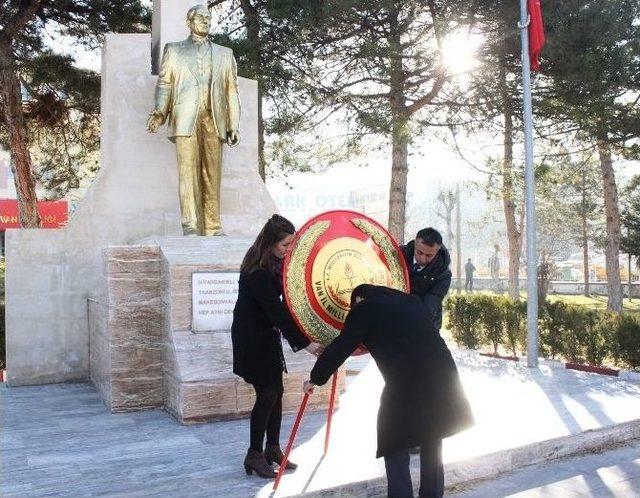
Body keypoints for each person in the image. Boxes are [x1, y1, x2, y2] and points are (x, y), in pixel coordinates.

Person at [304, 285, 473, 498]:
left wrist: (315, 378)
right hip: (444, 375)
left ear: (360, 299)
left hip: (406, 382)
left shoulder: (364, 309)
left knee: (393, 439)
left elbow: (342, 345)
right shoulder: (411, 301)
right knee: (432, 435)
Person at [231, 214, 323, 478]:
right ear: (270, 243)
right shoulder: (257, 271)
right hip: (252, 339)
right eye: (285, 245)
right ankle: (254, 454)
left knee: (277, 392)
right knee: (267, 393)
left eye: (291, 245)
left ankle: (272, 449)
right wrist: (305, 343)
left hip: (265, 336)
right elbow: (277, 311)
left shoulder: (273, 263)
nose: (288, 250)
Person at [147, 4, 241, 236]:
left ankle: (212, 226)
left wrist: (233, 124)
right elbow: (165, 82)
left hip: (214, 119)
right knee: (187, 174)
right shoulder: (175, 50)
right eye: (200, 17)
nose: (206, 20)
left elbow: (231, 92)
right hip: (185, 119)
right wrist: (160, 113)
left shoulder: (225, 53)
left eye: (208, 17)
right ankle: (190, 225)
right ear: (189, 22)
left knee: (212, 174)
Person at [400, 228, 452, 331]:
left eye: (429, 255)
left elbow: (430, 303)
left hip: (426, 323)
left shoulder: (443, 274)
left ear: (437, 251)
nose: (422, 259)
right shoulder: (397, 255)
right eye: (419, 252)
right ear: (415, 244)